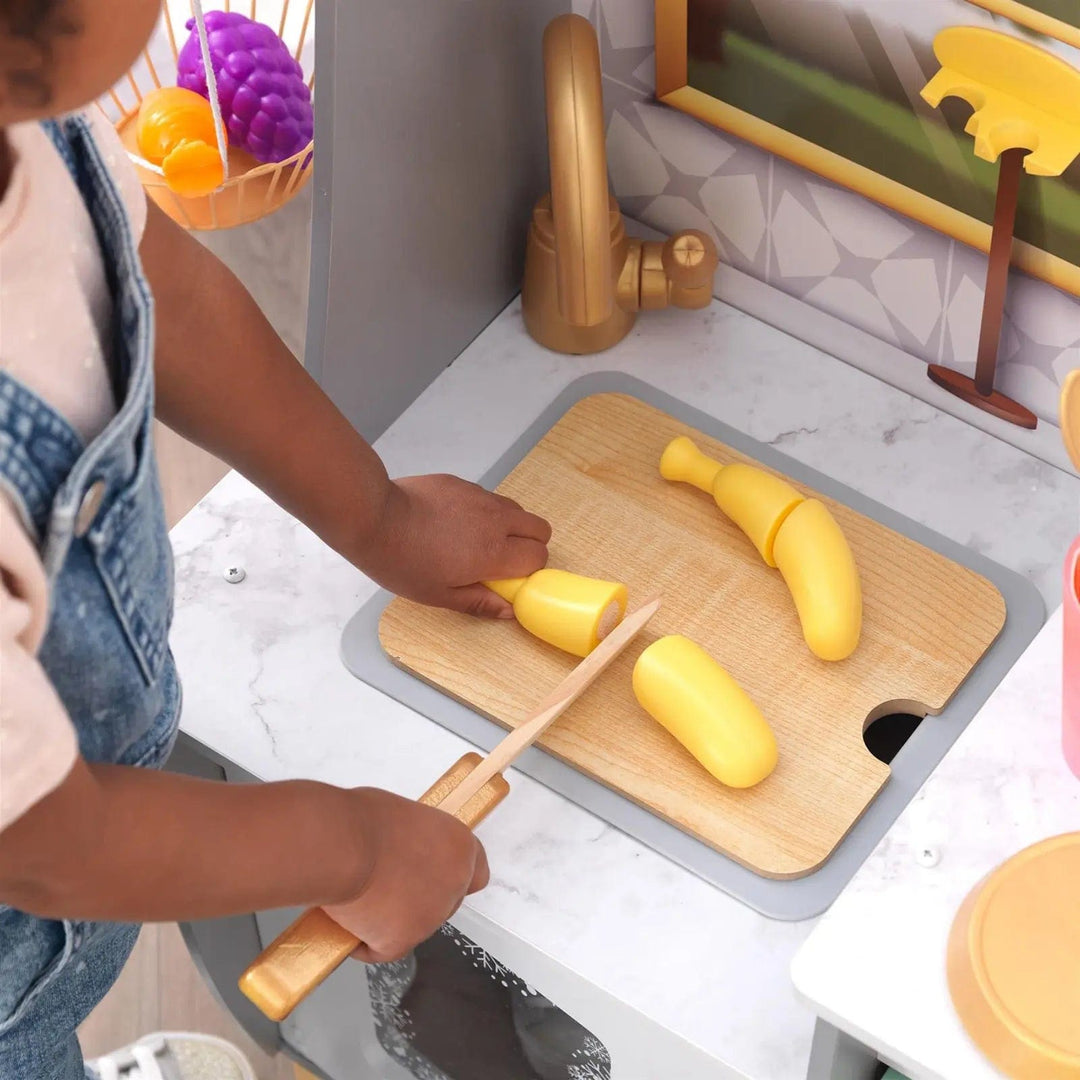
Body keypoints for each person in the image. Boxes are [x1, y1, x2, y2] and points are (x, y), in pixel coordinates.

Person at [0, 2, 551, 1077]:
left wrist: (380, 515)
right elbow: (46, 847)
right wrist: (356, 847)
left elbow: (168, 286)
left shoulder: (32, 128)